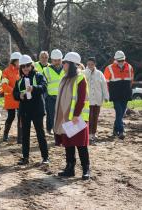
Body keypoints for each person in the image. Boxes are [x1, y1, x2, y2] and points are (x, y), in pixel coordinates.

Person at [54, 52, 91, 180]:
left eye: (64, 62)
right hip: (66, 117)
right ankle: (70, 168)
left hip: (77, 118)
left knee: (81, 144)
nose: (62, 64)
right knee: (68, 144)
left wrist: (76, 115)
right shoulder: (65, 78)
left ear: (71, 64)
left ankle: (86, 169)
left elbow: (82, 99)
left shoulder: (80, 78)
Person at [13, 55, 49, 165]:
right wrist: (20, 95)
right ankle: (25, 157)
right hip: (24, 111)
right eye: (23, 66)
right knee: (25, 135)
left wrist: (34, 88)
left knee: (40, 134)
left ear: (32, 66)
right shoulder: (19, 80)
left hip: (37, 110)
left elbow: (44, 87)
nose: (25, 68)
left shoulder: (38, 76)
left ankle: (45, 157)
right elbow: (14, 94)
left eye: (28, 66)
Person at [104, 51, 134, 140]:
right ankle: (121, 131)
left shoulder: (129, 67)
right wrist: (107, 93)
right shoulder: (109, 68)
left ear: (124, 59)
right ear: (115, 60)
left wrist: (128, 90)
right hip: (115, 94)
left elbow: (131, 81)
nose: (121, 62)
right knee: (119, 111)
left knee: (120, 113)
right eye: (119, 60)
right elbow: (106, 82)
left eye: (122, 60)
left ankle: (115, 129)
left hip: (125, 93)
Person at [84, 57, 109, 142]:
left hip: (98, 99)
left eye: (92, 64)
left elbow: (104, 86)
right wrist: (88, 72)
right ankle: (88, 134)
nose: (90, 66)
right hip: (88, 100)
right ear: (87, 64)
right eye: (89, 64)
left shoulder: (99, 73)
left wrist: (106, 96)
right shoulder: (84, 73)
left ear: (95, 64)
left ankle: (93, 133)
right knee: (89, 117)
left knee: (95, 117)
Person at [1, 52, 22, 143]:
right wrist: (14, 91)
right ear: (14, 61)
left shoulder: (22, 70)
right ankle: (5, 134)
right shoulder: (6, 71)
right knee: (11, 117)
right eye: (19, 61)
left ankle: (20, 137)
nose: (20, 63)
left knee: (21, 117)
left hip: (20, 98)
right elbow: (4, 85)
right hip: (11, 99)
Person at [43, 49, 65, 134]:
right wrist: (46, 96)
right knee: (51, 115)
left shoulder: (65, 69)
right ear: (52, 60)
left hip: (63, 96)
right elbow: (44, 84)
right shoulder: (46, 70)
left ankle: (60, 130)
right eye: (55, 60)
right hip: (50, 97)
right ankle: (51, 130)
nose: (57, 62)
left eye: (59, 60)